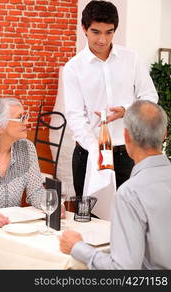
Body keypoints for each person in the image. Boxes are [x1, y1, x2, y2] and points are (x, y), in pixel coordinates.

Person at [59, 100, 171, 270]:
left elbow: (122, 269)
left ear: (126, 137)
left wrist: (77, 247)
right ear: (165, 134)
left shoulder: (130, 193)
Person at [63, 0, 158, 196]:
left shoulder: (131, 58)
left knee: (130, 216)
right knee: (88, 218)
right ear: (84, 28)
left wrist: (126, 111)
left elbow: (150, 96)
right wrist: (95, 150)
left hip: (127, 153)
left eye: (109, 32)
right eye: (96, 32)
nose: (103, 40)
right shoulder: (74, 67)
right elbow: (75, 116)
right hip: (88, 153)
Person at [0, 97, 45, 228]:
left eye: (26, 116)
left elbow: (36, 191)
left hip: (14, 228)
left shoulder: (27, 148)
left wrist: (51, 204)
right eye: (20, 118)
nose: (27, 122)